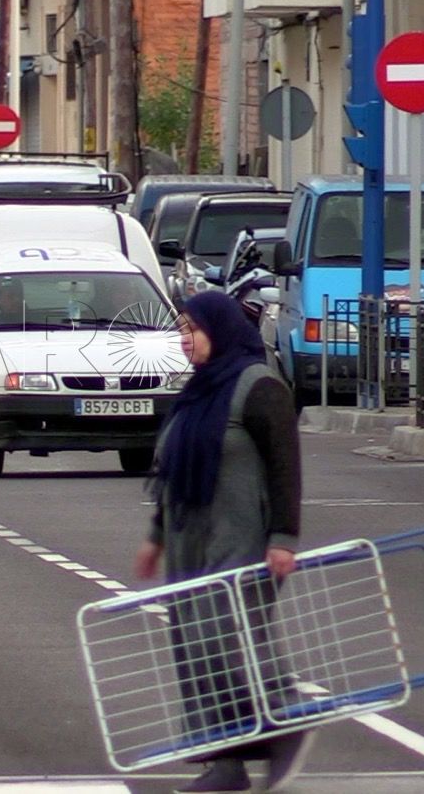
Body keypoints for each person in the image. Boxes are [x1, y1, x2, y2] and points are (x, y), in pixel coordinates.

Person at [132, 291, 310, 793]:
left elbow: (285, 466)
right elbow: (172, 471)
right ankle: (226, 762)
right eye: (180, 331)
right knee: (195, 645)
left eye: (193, 329)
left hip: (241, 535)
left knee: (229, 633)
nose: (184, 340)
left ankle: (286, 718)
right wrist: (156, 537)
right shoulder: (197, 392)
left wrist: (284, 538)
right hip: (189, 542)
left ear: (221, 328)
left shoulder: (259, 387)